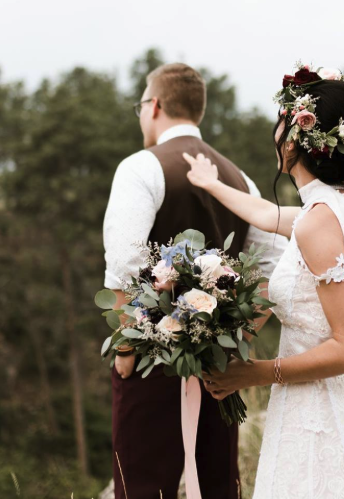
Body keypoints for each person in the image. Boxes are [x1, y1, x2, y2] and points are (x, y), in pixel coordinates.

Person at [183, 63, 344, 498]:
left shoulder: (319, 221)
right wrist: (210, 183)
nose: (277, 129)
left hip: (318, 414)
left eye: (284, 119)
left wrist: (254, 373)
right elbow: (266, 214)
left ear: (298, 138)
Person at [103, 62, 287, 499]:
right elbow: (272, 271)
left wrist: (126, 350)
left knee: (144, 484)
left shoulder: (139, 168)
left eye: (140, 105)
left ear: (155, 105)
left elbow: (125, 267)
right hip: (223, 367)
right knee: (218, 482)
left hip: (151, 363)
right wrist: (234, 337)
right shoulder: (243, 180)